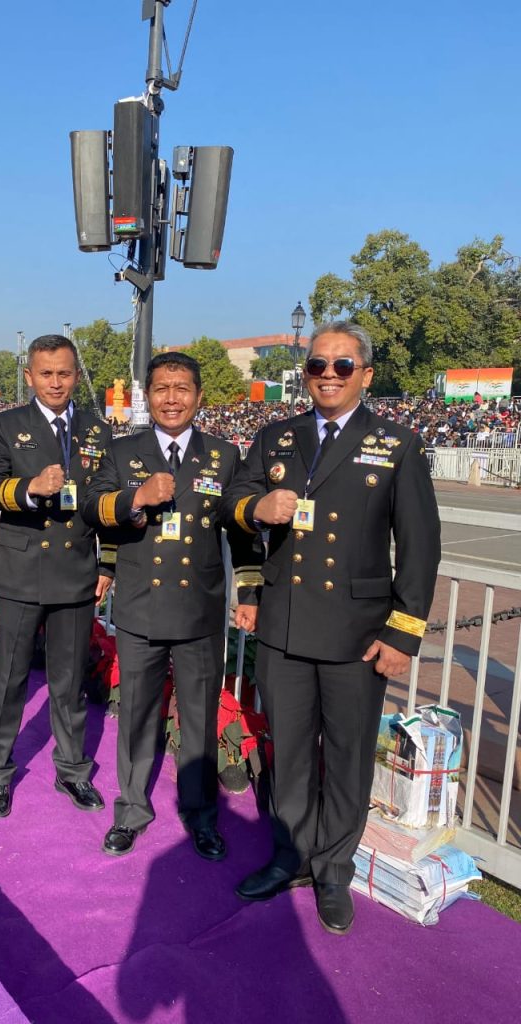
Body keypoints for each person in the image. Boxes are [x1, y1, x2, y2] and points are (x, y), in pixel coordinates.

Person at [220, 322, 440, 934]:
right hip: (285, 625)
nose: (328, 375)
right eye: (318, 364)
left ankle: (334, 869)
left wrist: (402, 634)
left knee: (346, 756)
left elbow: (420, 547)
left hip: (357, 633)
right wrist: (255, 510)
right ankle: (290, 855)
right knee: (289, 751)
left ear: (365, 375)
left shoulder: (396, 444)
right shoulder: (277, 436)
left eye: (343, 365)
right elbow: (233, 507)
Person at [81, 352, 261, 860]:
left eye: (182, 388)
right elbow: (93, 507)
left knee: (199, 718)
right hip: (141, 606)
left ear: (199, 396)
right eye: (161, 388)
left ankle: (201, 816)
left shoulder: (223, 455)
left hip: (199, 610)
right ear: (148, 396)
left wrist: (248, 592)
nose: (172, 398)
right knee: (137, 713)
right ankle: (131, 811)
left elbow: (242, 529)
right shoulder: (123, 451)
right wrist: (135, 498)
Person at [0, 334, 113, 819]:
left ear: (77, 375)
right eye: (46, 373)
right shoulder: (6, 425)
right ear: (29, 376)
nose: (56, 382)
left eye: (64, 373)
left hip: (76, 571)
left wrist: (107, 562)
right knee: (9, 679)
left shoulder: (98, 429)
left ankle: (72, 770)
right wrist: (30, 488)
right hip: (21, 571)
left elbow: (107, 499)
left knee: (69, 681)